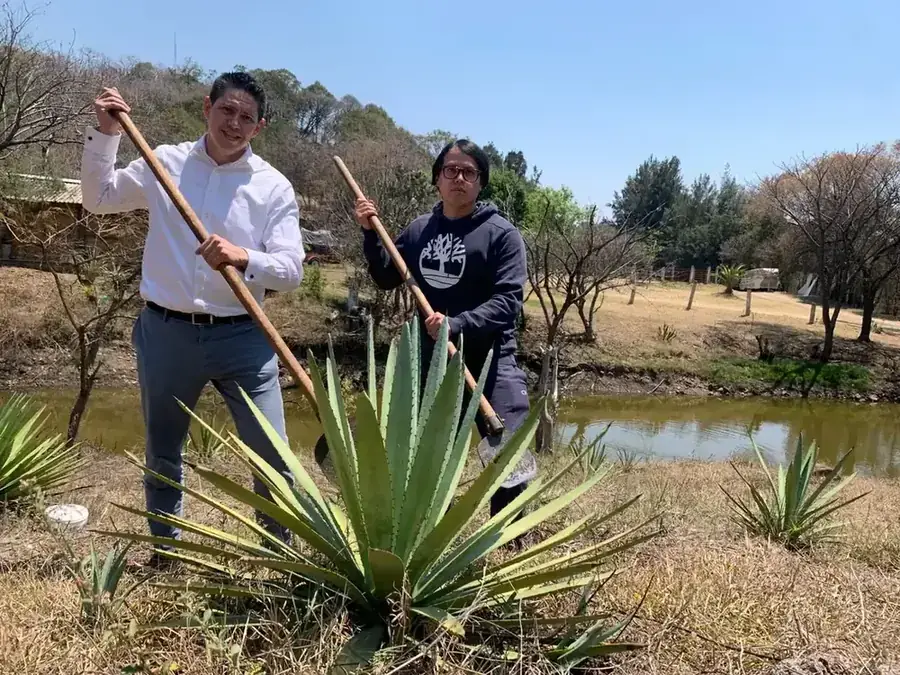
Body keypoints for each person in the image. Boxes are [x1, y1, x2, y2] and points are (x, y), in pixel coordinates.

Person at [80, 72, 304, 567]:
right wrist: (107, 134)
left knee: (273, 454)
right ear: (208, 107)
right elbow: (98, 199)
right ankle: (166, 555)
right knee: (163, 450)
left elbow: (291, 271)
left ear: (259, 127)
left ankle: (279, 559)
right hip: (167, 331)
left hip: (245, 334)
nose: (235, 123)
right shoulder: (166, 162)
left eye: (247, 117)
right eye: (227, 110)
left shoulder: (272, 187)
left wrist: (243, 256)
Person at [354, 139, 536, 517]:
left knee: (508, 454)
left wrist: (458, 324)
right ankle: (425, 536)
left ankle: (511, 540)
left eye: (470, 172)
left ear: (481, 182)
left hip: (490, 359)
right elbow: (387, 276)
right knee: (426, 457)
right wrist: (371, 235)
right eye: (451, 170)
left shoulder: (502, 235)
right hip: (433, 360)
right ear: (437, 178)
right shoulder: (420, 229)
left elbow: (508, 304)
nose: (459, 178)